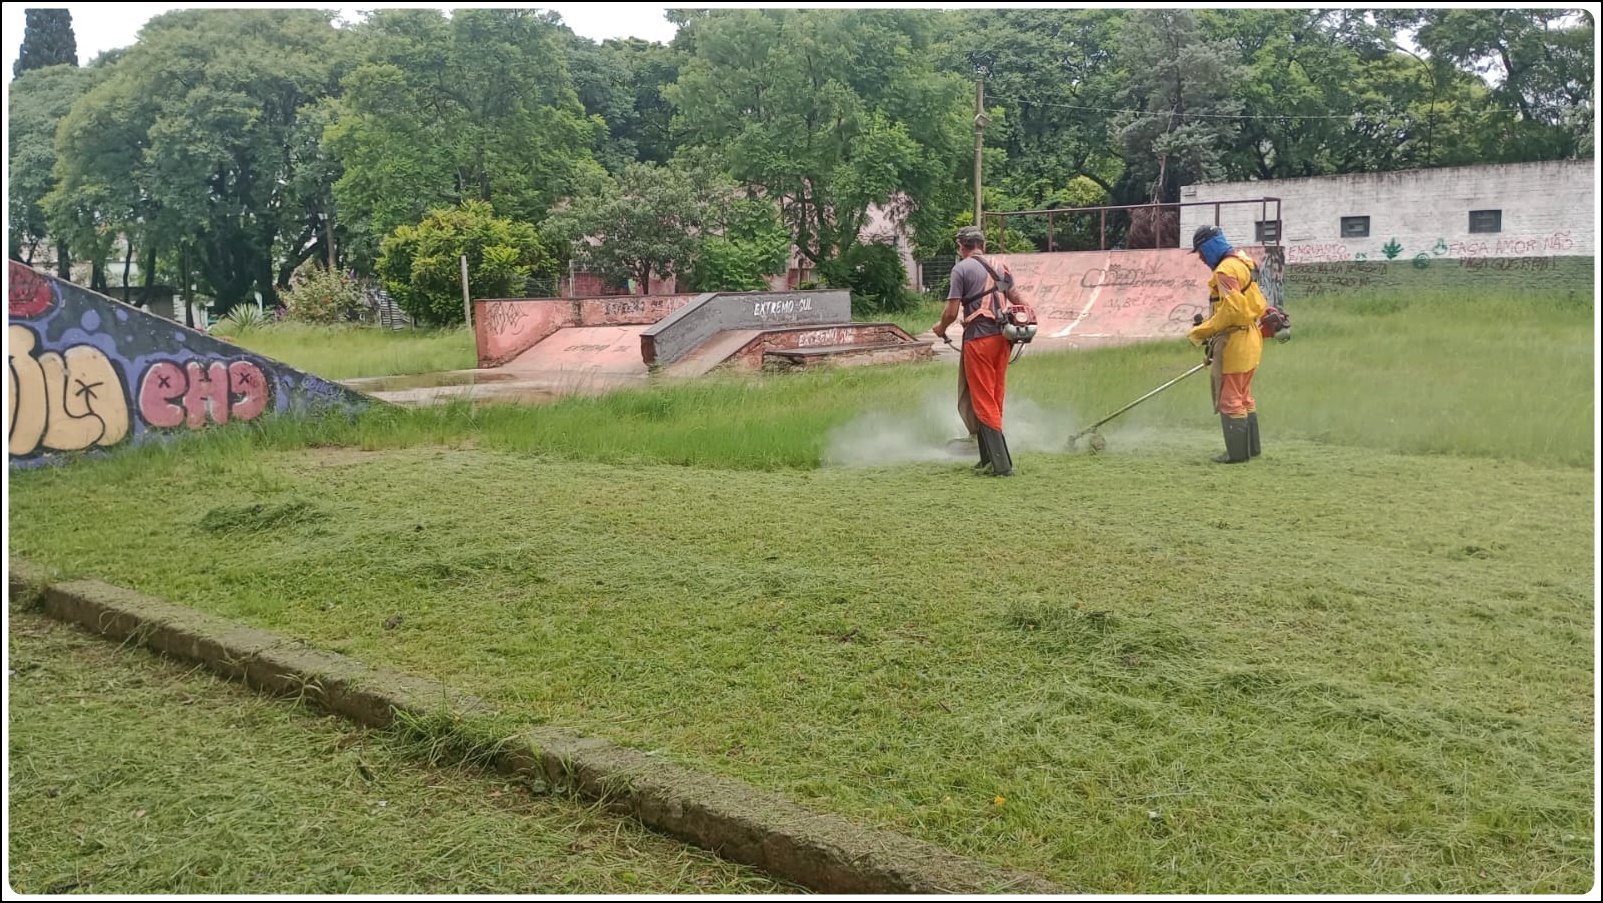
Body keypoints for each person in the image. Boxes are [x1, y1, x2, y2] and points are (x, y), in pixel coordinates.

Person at [934, 225, 1018, 476]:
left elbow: (951, 312)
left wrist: (940, 328)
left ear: (961, 247)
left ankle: (1001, 466)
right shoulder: (1001, 267)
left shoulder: (960, 269)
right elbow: (1017, 298)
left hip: (978, 340)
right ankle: (987, 458)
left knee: (980, 398)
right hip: (1003, 339)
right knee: (994, 395)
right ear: (983, 244)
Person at [1186, 225, 1267, 463]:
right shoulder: (1242, 263)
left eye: (1201, 251)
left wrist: (1201, 331)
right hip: (1251, 337)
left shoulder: (1225, 271)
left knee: (1230, 398)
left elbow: (1232, 311)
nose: (1200, 257)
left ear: (1210, 247)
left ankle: (1237, 455)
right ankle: (1252, 449)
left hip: (1236, 341)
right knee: (1243, 395)